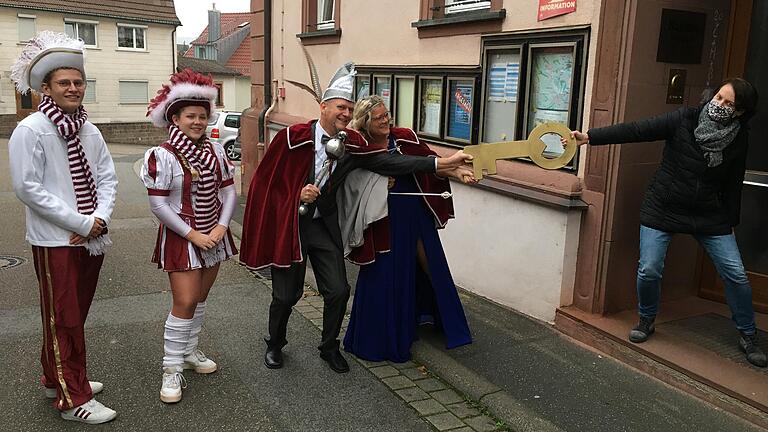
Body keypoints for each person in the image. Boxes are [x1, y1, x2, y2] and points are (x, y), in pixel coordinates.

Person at [239, 62, 474, 373]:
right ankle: (275, 343)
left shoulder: (352, 143)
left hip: (324, 225)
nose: (345, 114)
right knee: (286, 294)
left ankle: (328, 347)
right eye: (340, 107)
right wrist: (296, 194)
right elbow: (264, 185)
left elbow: (388, 162)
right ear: (323, 107)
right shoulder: (291, 138)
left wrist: (441, 165)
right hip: (291, 225)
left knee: (338, 289)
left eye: (349, 109)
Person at [568, 77, 766, 367]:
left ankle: (748, 334)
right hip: (663, 205)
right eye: (719, 98)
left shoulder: (738, 136)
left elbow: (734, 182)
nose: (720, 105)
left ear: (740, 112)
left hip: (709, 214)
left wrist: (730, 221)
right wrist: (591, 137)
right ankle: (646, 319)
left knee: (735, 274)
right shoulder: (684, 118)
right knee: (649, 269)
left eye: (729, 103)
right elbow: (639, 129)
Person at [8, 31, 118, 424]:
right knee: (65, 317)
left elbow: (107, 177)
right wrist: (81, 223)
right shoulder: (31, 129)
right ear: (46, 88)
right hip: (55, 240)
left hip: (90, 237)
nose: (73, 88)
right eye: (64, 83)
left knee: (72, 315)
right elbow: (28, 188)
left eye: (78, 82)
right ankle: (74, 400)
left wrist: (98, 220)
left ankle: (57, 376)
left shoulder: (89, 129)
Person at [341, 95, 472, 362]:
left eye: (386, 114)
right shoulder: (359, 145)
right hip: (382, 220)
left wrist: (457, 172)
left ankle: (442, 321)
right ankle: (383, 338)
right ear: (366, 122)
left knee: (431, 267)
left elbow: (429, 163)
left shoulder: (403, 138)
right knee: (387, 274)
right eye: (379, 118)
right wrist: (378, 184)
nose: (386, 120)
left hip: (415, 214)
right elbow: (352, 182)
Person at [142, 69, 238, 402]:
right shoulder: (163, 155)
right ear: (175, 118)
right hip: (182, 236)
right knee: (183, 300)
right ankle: (171, 369)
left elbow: (229, 193)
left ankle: (190, 351)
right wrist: (194, 235)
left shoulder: (216, 151)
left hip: (214, 232)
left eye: (201, 116)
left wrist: (221, 227)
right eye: (190, 116)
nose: (197, 122)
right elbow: (158, 205)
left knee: (199, 298)